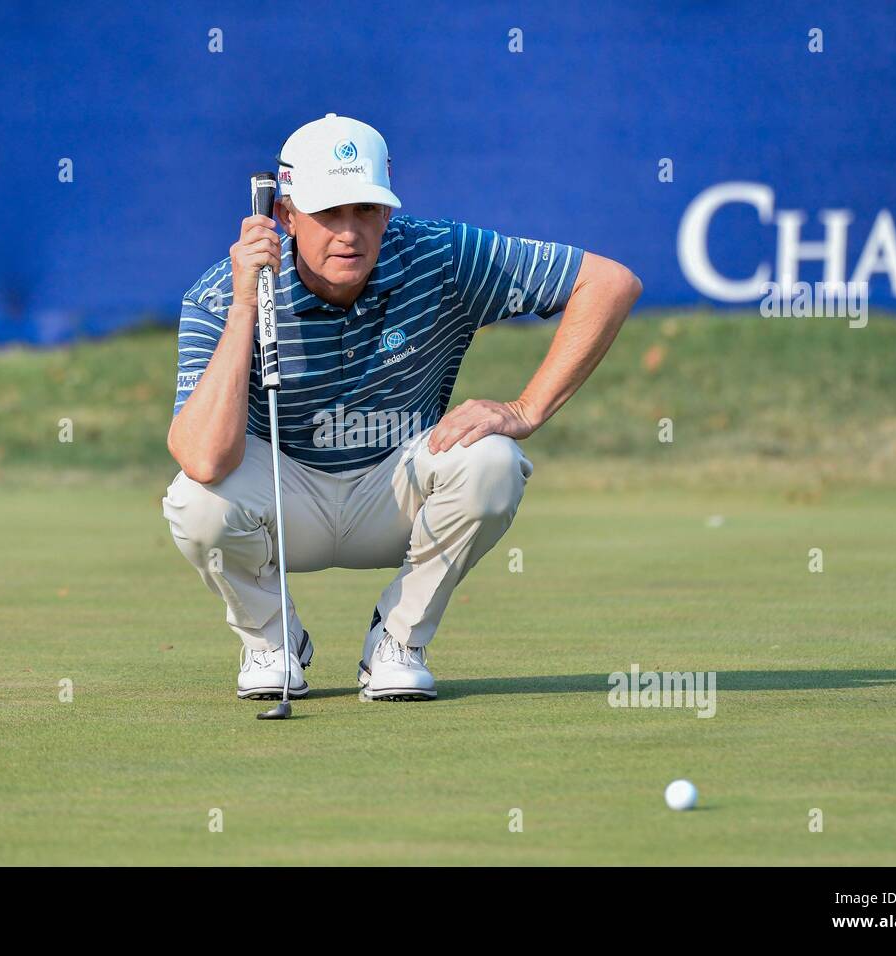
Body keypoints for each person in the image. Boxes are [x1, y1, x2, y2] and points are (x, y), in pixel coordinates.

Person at [163, 114, 641, 701]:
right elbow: (204, 458)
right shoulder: (218, 293)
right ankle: (270, 642)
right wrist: (245, 308)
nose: (350, 233)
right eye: (328, 213)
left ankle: (398, 641)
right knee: (196, 499)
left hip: (396, 489)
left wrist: (526, 409)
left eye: (365, 210)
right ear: (285, 217)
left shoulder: (436, 256)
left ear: (387, 210)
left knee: (493, 460)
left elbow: (609, 284)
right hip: (286, 509)